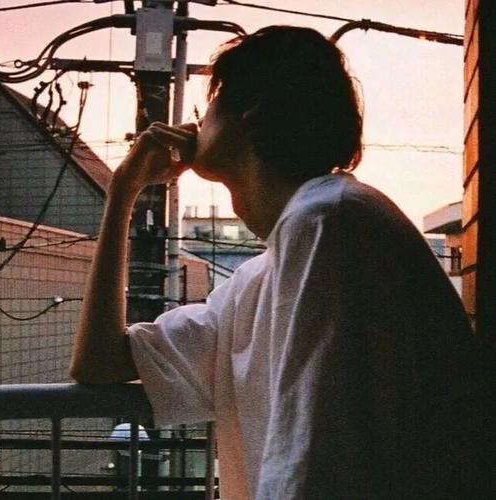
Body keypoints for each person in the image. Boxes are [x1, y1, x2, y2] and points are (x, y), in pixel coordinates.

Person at [70, 26, 495, 499]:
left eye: (208, 106)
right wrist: (122, 192)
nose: (197, 124)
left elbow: (317, 462)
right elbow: (100, 362)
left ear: (250, 108)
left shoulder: (329, 222)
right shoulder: (266, 270)